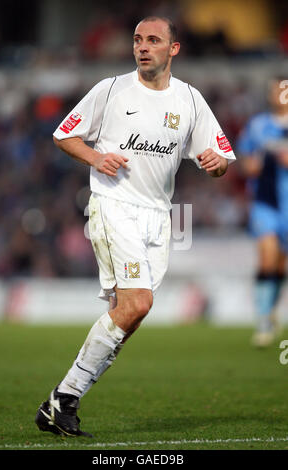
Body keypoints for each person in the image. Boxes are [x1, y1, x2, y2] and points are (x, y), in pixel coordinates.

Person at [35, 16, 236, 437]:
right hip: (114, 206)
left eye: (153, 40)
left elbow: (218, 158)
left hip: (158, 218)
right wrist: (96, 158)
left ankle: (62, 402)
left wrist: (217, 166)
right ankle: (63, 399)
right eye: (138, 40)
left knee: (129, 314)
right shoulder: (111, 90)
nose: (143, 47)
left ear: (173, 49)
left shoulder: (190, 100)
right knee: (138, 304)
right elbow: (63, 134)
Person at [237, 77, 288, 347]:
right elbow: (244, 161)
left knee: (280, 265)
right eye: (275, 90)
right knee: (267, 259)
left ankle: (270, 310)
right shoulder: (258, 126)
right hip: (265, 202)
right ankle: (263, 321)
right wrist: (251, 166)